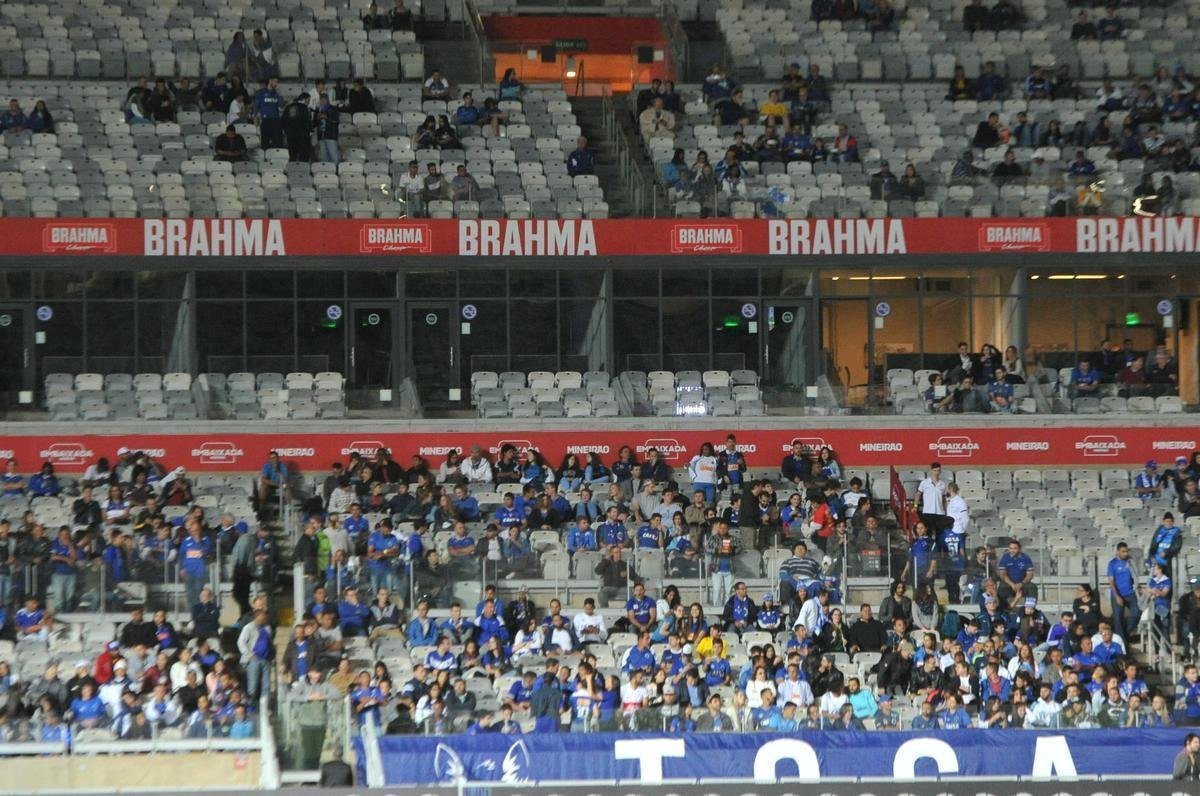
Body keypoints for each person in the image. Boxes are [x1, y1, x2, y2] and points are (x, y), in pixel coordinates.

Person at [1107, 542, 1141, 644]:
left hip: (1130, 593)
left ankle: (1125, 634)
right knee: (1118, 619)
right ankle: (1121, 644)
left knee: (1137, 613)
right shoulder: (1112, 564)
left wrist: (1138, 587)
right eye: (1123, 551)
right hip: (1118, 594)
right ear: (1118, 552)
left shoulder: (1130, 562)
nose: (1125, 553)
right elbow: (1111, 581)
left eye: (1126, 551)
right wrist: (1117, 596)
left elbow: (1134, 575)